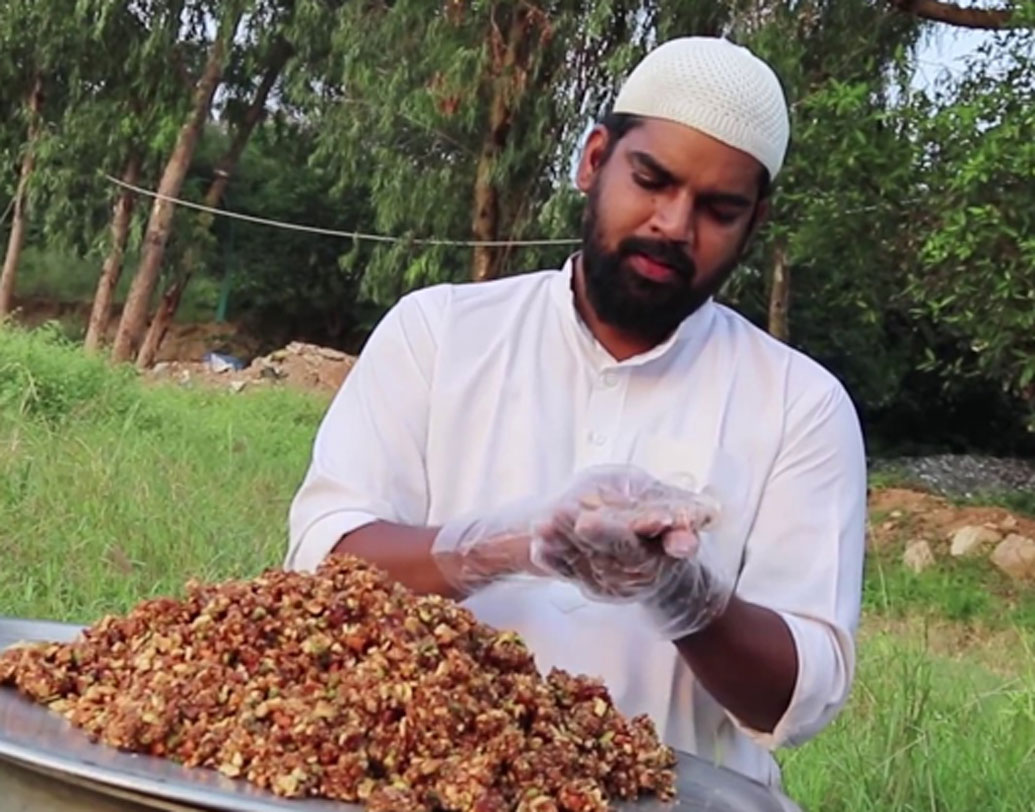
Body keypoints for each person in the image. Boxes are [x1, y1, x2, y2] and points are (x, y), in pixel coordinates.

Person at [286, 36, 866, 790]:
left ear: (753, 224)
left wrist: (682, 594)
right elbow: (321, 563)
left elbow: (801, 695)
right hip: (420, 786)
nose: (673, 225)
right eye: (651, 180)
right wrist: (503, 547)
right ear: (594, 160)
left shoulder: (800, 406)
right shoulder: (439, 333)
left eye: (717, 209)